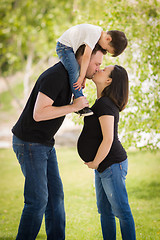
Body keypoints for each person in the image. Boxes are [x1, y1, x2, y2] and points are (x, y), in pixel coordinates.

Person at [12, 44, 106, 240]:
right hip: (29, 143)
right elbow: (39, 114)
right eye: (96, 63)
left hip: (45, 143)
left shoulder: (71, 78)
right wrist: (73, 106)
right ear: (84, 59)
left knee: (55, 199)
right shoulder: (56, 76)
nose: (98, 68)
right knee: (37, 201)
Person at [77, 65, 136, 240]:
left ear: (108, 81)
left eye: (103, 70)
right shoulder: (101, 102)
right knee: (105, 211)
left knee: (121, 211)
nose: (98, 69)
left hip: (111, 164)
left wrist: (95, 163)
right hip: (104, 165)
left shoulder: (105, 104)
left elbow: (108, 139)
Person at [56, 23, 128, 116]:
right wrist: (81, 76)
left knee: (76, 71)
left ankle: (77, 98)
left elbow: (85, 62)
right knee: (74, 71)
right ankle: (79, 100)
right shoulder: (94, 34)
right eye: (106, 48)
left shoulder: (97, 33)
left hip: (68, 47)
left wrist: (84, 77)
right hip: (64, 47)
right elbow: (86, 56)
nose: (103, 49)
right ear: (108, 39)